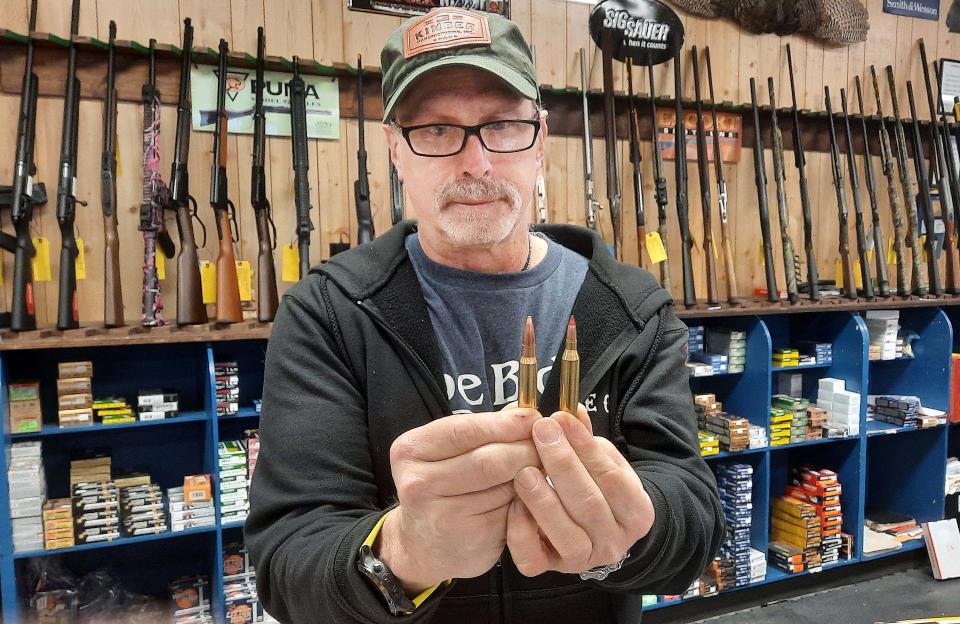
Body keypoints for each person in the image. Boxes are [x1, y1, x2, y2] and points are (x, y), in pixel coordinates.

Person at [246, 7, 724, 623]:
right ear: (396, 148)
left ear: (540, 139)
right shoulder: (329, 315)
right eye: (437, 131)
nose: (476, 164)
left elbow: (694, 516)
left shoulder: (632, 306)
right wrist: (402, 555)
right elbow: (288, 563)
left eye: (501, 126)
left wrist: (632, 527)